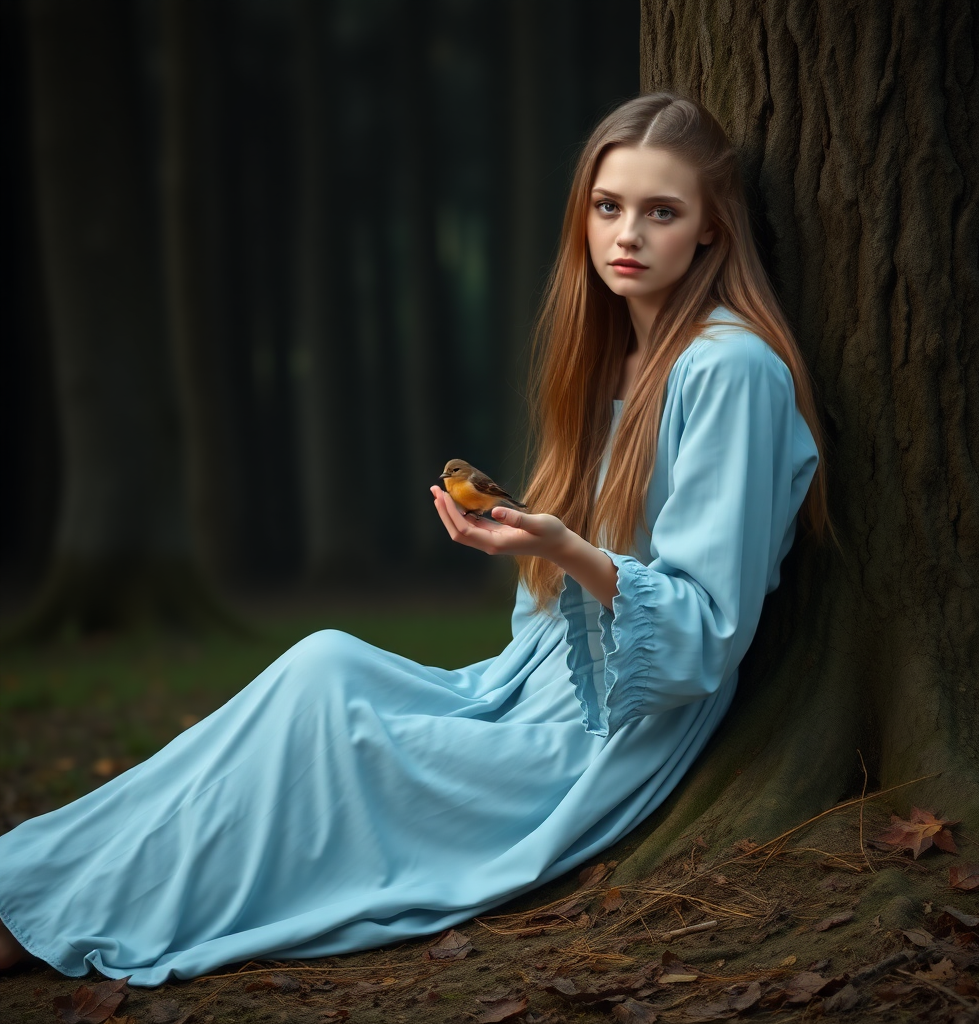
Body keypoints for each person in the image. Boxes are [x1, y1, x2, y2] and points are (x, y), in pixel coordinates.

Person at [0, 93, 827, 985]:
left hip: (616, 728)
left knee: (337, 740)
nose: (628, 234)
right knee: (321, 667)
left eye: (662, 212)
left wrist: (563, 551)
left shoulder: (729, 367)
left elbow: (706, 631)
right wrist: (540, 560)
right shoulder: (609, 355)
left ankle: (58, 919)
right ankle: (33, 881)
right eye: (608, 206)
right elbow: (545, 630)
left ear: (710, 230)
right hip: (533, 687)